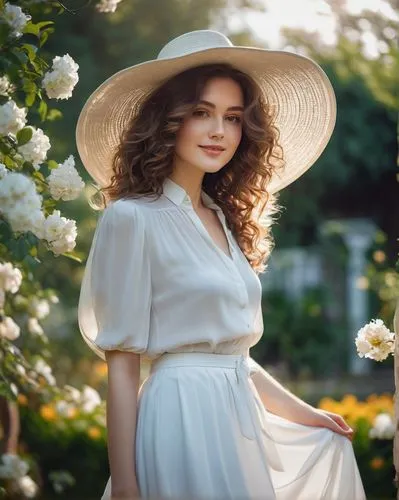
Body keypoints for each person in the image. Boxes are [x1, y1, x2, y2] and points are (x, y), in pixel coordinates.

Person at [76, 30, 366, 500]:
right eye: (201, 113)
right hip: (178, 417)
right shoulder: (131, 218)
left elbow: (235, 359)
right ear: (167, 122)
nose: (218, 131)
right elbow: (123, 367)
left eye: (232, 118)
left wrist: (306, 414)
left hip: (238, 421)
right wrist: (126, 485)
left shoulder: (224, 221)